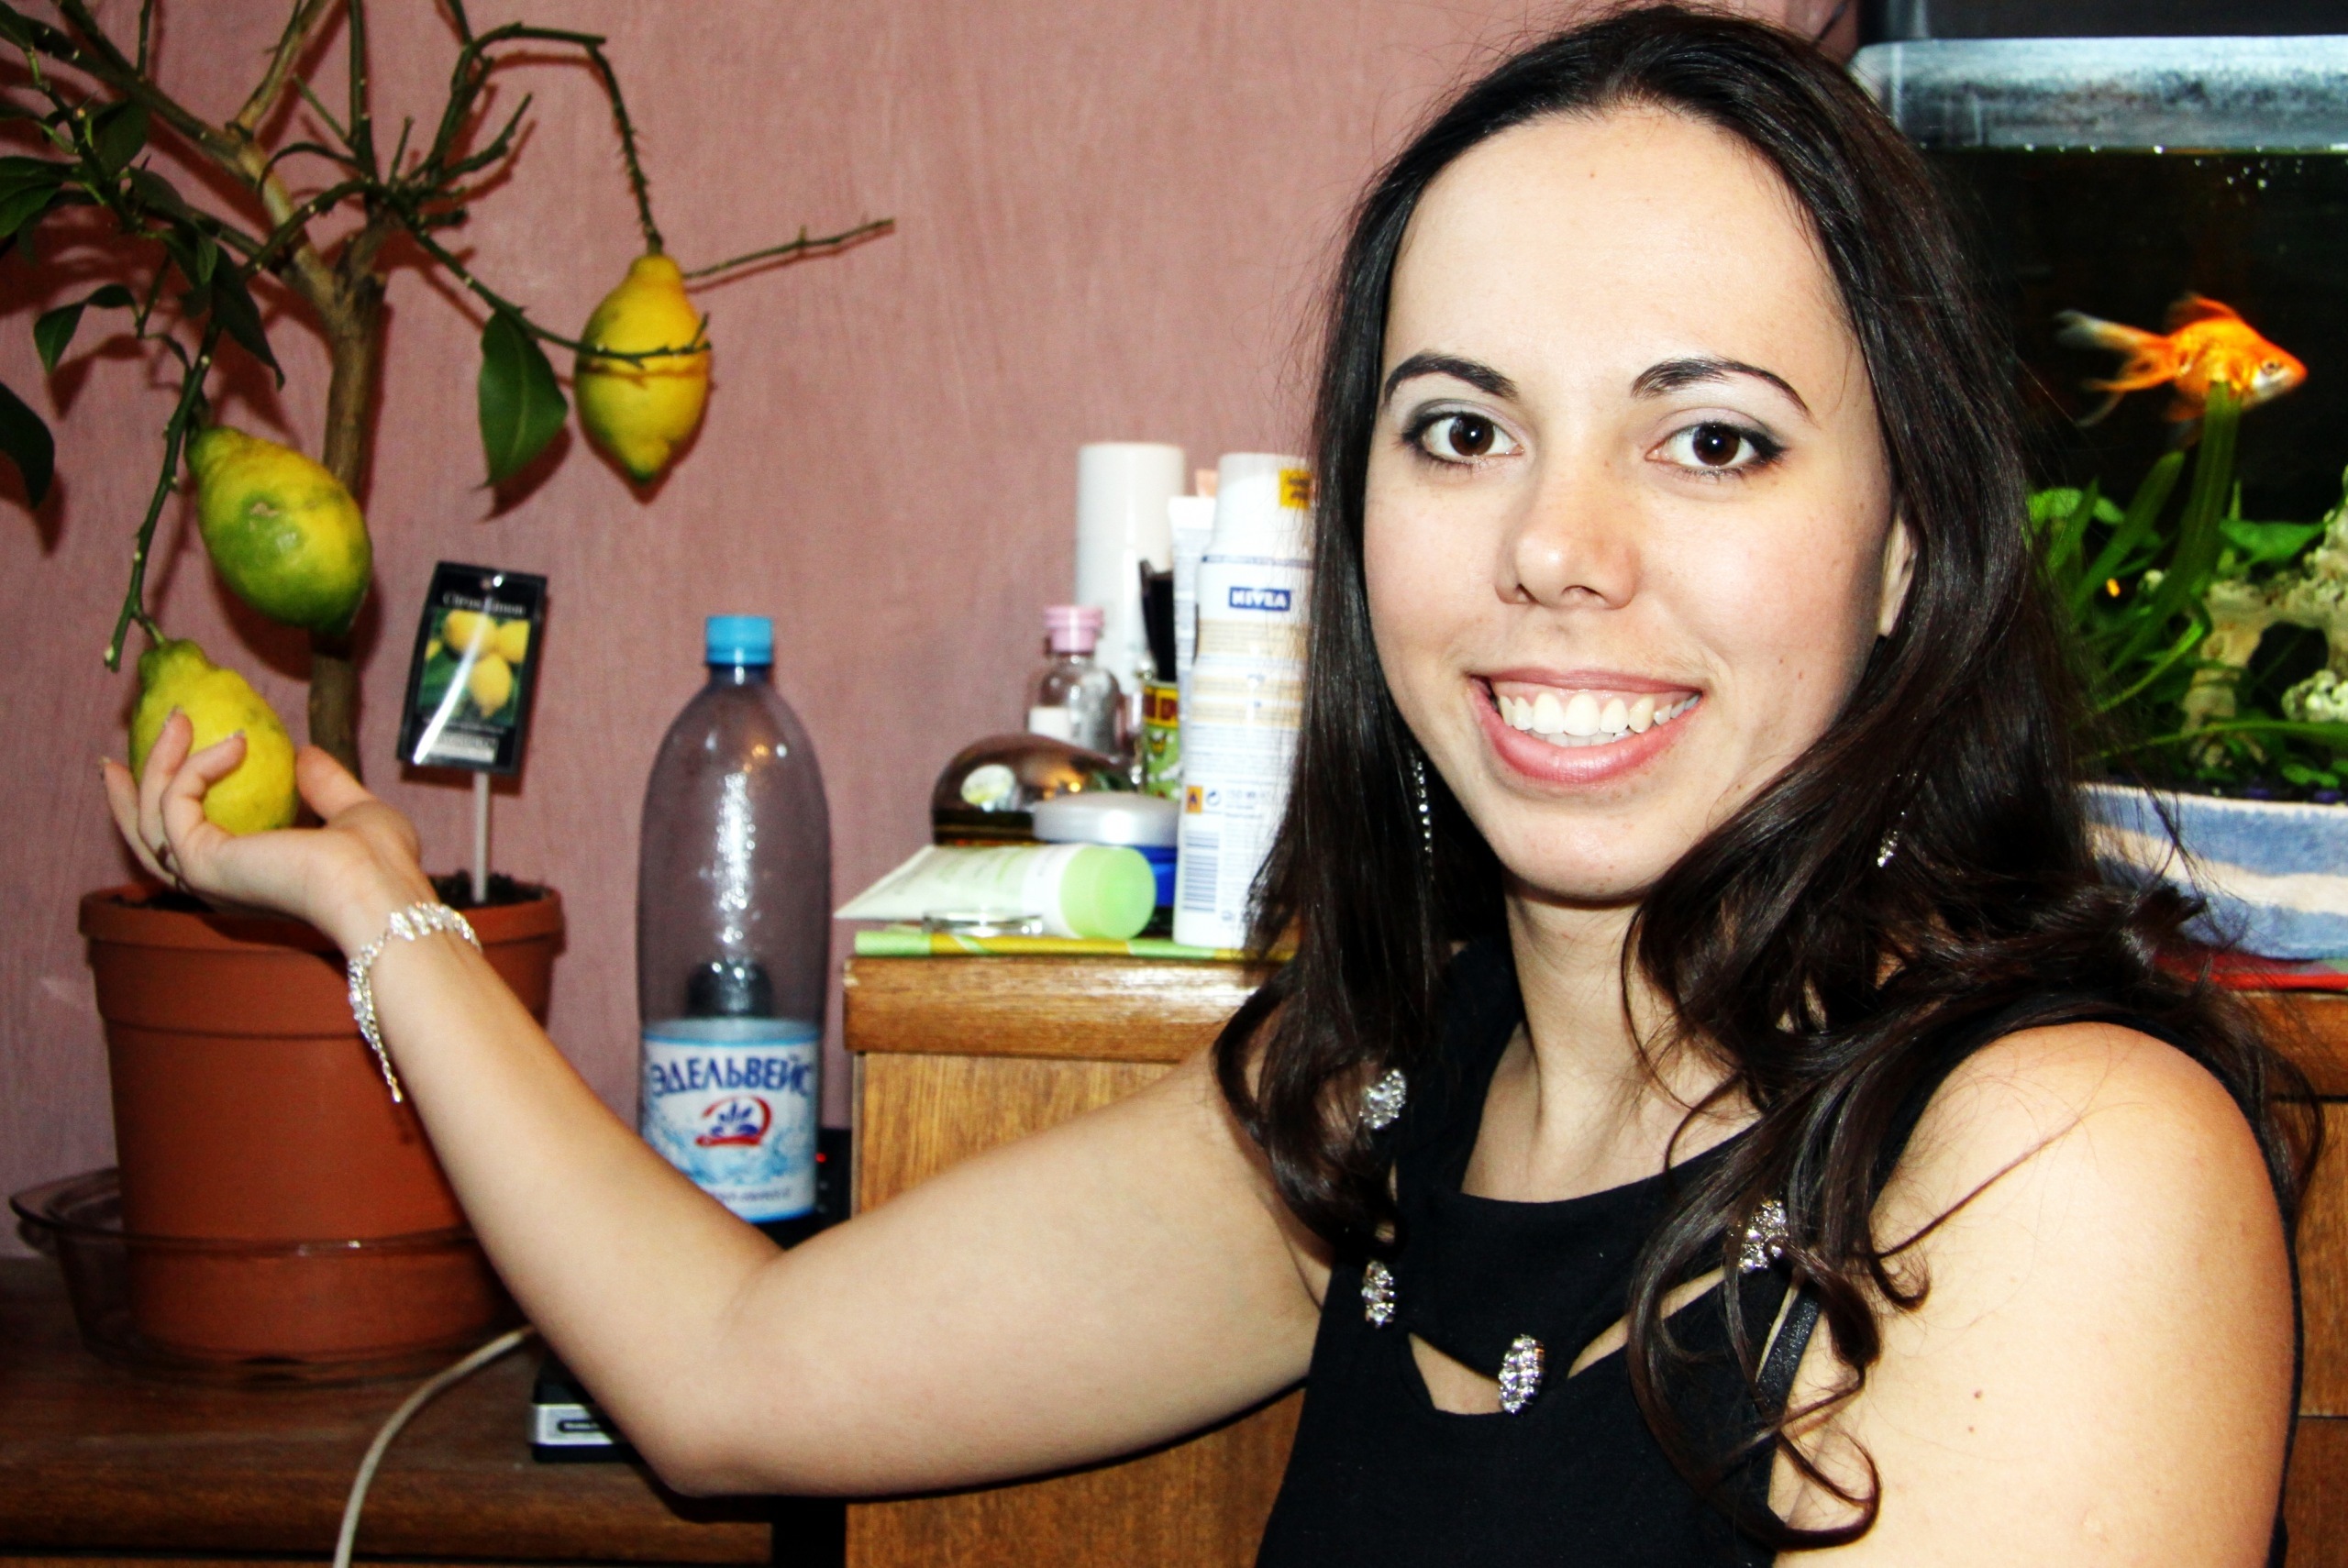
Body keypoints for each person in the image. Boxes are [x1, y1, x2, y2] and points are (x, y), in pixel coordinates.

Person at [106, 8, 2306, 1562]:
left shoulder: (2053, 1167)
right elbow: (727, 1370)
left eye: (1709, 437)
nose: (1556, 544)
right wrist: (372, 896)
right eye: (1458, 429)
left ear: (1905, 544)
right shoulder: (1387, 1103)